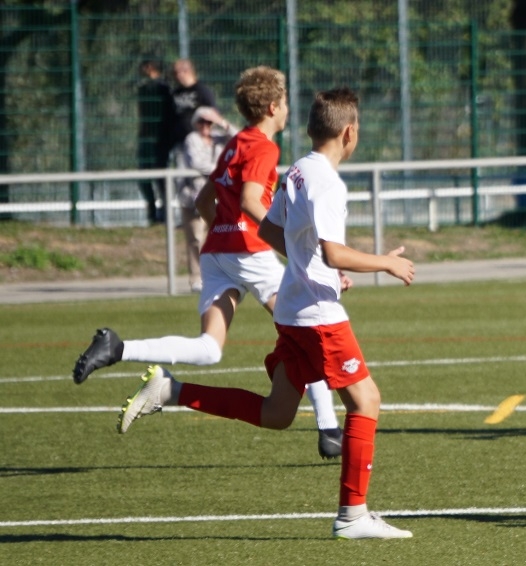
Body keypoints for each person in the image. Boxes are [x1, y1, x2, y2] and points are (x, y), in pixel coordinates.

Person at [115, 87, 416, 539]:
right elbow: (333, 252)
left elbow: (272, 230)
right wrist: (385, 262)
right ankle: (353, 515)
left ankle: (171, 391)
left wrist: (314, 267)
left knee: (277, 413)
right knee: (366, 400)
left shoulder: (296, 170)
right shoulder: (328, 183)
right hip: (316, 315)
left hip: (294, 307)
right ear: (349, 132)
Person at [73, 66, 344, 460]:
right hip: (248, 251)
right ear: (273, 107)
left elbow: (205, 201)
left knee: (209, 348)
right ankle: (330, 429)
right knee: (307, 324)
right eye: (285, 102)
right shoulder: (265, 147)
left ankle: (119, 348)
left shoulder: (236, 142)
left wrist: (222, 232)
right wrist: (290, 248)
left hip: (216, 252)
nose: (288, 110)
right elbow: (252, 200)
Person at [176, 106, 239, 293]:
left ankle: (221, 275)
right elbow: (197, 163)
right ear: (195, 123)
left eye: (209, 122)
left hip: (219, 199)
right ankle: (196, 278)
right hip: (193, 196)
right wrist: (223, 169)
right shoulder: (192, 139)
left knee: (220, 236)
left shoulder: (219, 138)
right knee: (196, 238)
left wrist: (223, 123)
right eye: (201, 121)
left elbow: (241, 139)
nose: (206, 126)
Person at [136, 59, 175, 224]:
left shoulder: (162, 88)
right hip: (151, 138)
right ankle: (156, 213)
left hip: (158, 139)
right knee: (149, 178)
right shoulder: (148, 88)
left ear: (149, 67)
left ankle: (161, 214)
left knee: (158, 179)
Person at [171, 59, 217, 155]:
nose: (174, 76)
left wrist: (206, 134)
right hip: (180, 141)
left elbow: (214, 113)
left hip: (198, 140)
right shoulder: (176, 93)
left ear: (187, 71)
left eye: (176, 72)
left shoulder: (202, 90)